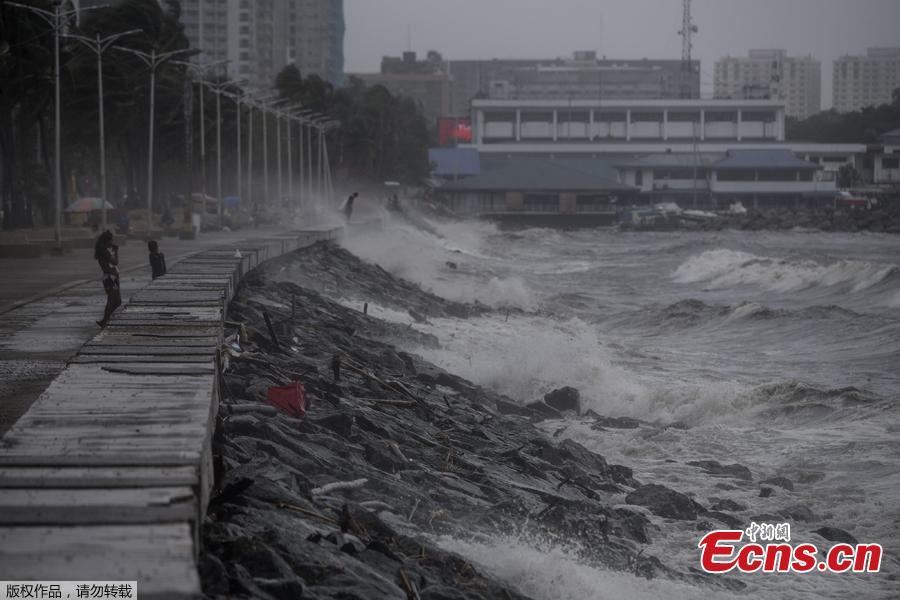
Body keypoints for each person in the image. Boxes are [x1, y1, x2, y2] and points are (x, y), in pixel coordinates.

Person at [94, 230, 121, 327]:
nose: (113, 242)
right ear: (107, 241)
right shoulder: (104, 252)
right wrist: (116, 251)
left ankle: (105, 319)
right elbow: (115, 262)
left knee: (117, 301)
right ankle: (105, 320)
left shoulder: (105, 251)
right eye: (111, 240)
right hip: (110, 278)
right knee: (112, 300)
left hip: (112, 277)